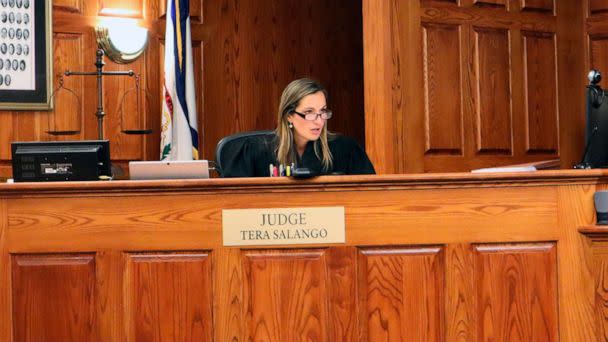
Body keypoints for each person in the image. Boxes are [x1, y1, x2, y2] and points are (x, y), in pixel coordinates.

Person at [221, 78, 375, 177]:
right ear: (289, 115)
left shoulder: (346, 149)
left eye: (322, 112)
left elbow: (370, 197)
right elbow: (231, 201)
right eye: (309, 112)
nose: (319, 121)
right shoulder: (253, 150)